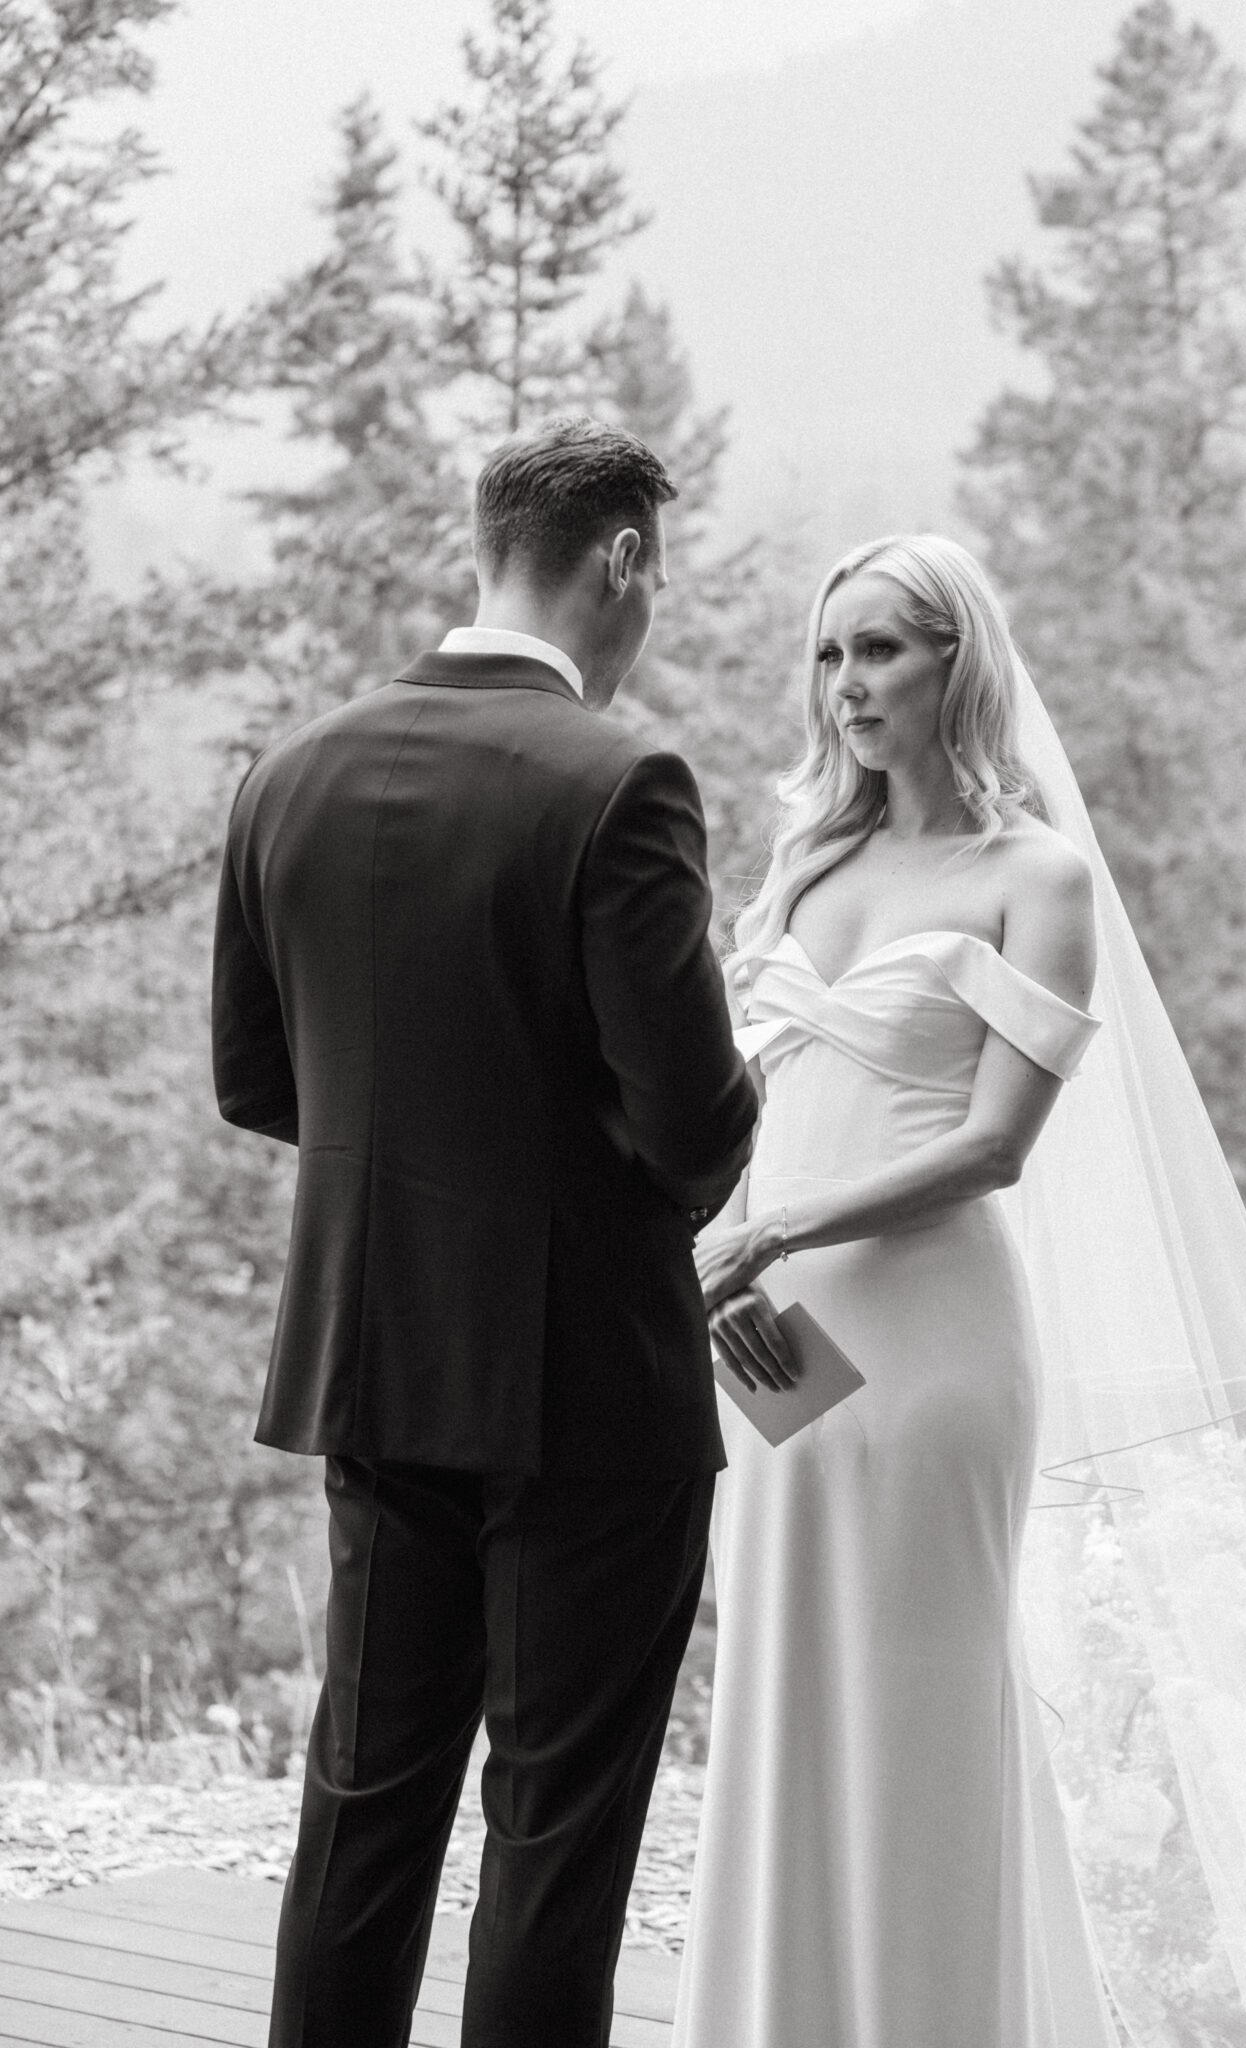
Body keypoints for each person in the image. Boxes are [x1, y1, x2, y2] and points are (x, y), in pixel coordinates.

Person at [674, 533, 1246, 2047]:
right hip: (767, 1334)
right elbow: (752, 1093)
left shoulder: (1031, 877)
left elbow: (989, 1145)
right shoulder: (808, 862)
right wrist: (718, 1250)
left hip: (931, 1344)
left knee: (920, 1705)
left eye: (883, 650)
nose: (849, 685)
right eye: (830, 653)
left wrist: (768, 1228)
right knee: (783, 1683)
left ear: (956, 663)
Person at [210, 414, 757, 2048]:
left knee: (364, 1808)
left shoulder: (287, 772)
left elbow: (257, 1082)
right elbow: (691, 1138)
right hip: (588, 1383)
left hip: (375, 1365)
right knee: (555, 1833)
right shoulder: (620, 778)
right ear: (622, 559)